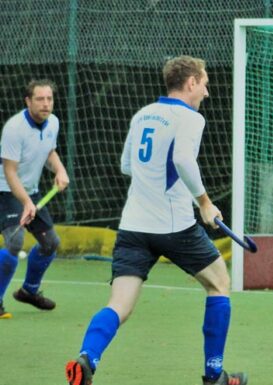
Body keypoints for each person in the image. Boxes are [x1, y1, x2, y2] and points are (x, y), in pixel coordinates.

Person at [64, 55, 247, 385]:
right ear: (191, 82)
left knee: (119, 305)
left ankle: (87, 358)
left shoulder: (143, 114)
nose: (207, 92)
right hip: (175, 227)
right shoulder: (190, 118)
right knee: (219, 283)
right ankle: (214, 375)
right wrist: (204, 202)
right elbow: (181, 158)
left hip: (133, 227)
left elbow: (126, 165)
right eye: (204, 84)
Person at [0, 79, 69, 319]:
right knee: (15, 242)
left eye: (49, 99)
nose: (46, 104)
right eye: (40, 99)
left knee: (50, 243)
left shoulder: (53, 123)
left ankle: (29, 291)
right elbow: (9, 172)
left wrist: (59, 170)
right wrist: (26, 202)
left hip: (31, 190)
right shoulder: (14, 128)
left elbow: (49, 151)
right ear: (28, 101)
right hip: (6, 190)